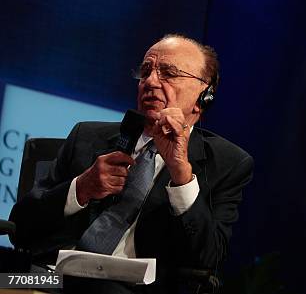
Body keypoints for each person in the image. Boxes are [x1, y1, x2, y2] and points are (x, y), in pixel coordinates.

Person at [9, 34, 254, 293]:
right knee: (7, 280)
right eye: (146, 71)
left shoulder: (228, 163)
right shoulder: (87, 136)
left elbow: (206, 259)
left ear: (204, 96)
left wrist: (181, 174)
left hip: (136, 289)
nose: (150, 81)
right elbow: (21, 227)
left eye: (169, 73)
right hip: (52, 279)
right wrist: (82, 187)